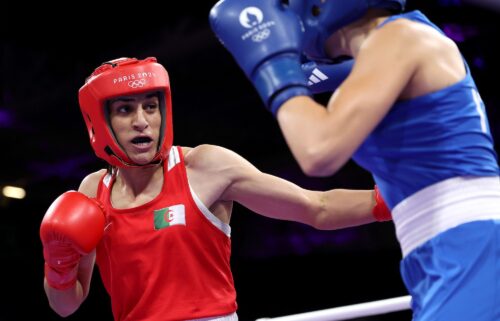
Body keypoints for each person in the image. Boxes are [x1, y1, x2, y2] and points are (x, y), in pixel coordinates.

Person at [39, 57, 392, 321]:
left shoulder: (204, 167)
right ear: (100, 121)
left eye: (150, 106)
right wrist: (59, 266)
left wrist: (397, 198)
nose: (142, 120)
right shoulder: (91, 192)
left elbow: (318, 207)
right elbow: (66, 306)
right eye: (125, 109)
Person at [209, 1, 500, 320]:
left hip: (471, 240)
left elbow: (318, 151)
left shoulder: (399, 37)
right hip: (437, 250)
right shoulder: (393, 47)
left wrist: (273, 67)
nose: (284, 12)